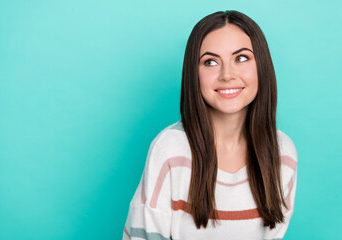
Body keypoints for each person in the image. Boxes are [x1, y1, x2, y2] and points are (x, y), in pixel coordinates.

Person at [123, 10, 297, 240]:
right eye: (211, 62)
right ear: (194, 73)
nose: (227, 75)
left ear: (261, 65)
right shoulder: (170, 150)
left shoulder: (282, 152)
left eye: (241, 58)